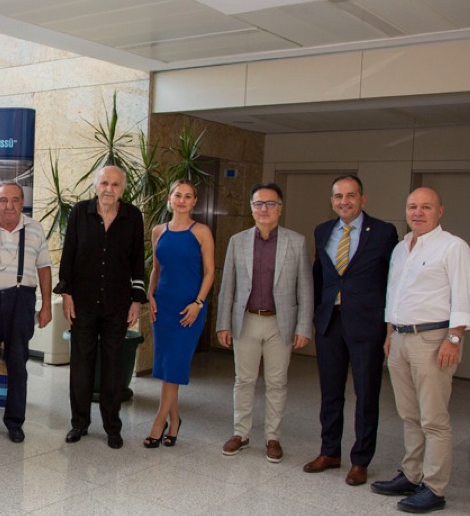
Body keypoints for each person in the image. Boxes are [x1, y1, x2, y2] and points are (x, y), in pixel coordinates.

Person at [373, 186, 470, 513]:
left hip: (433, 340)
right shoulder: (401, 248)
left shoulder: (453, 247)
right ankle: (411, 473)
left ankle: (434, 487)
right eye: (412, 206)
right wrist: (390, 332)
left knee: (433, 418)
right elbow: (394, 293)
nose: (418, 212)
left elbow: (464, 296)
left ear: (440, 211)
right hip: (400, 338)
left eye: (426, 207)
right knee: (409, 414)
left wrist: (454, 338)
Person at [303, 175, 397, 486]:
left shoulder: (383, 232)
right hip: (330, 322)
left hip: (366, 324)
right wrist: (316, 313)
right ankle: (329, 451)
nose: (344, 201)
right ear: (332, 201)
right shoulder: (322, 231)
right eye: (338, 196)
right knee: (330, 392)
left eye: (351, 195)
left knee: (366, 394)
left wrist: (389, 323)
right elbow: (320, 275)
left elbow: (392, 279)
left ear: (362, 199)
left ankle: (360, 460)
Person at [216, 182, 312, 463]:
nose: (264, 209)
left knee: (277, 383)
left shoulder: (296, 242)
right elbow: (228, 286)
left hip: (280, 323)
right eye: (258, 204)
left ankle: (272, 438)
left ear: (280, 208)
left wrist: (303, 326)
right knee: (243, 380)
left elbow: (305, 288)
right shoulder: (237, 241)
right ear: (251, 208)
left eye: (271, 203)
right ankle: (240, 433)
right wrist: (223, 323)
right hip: (246, 320)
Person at [56, 165, 146, 449]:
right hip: (82, 303)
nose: (109, 189)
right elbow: (69, 254)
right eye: (105, 183)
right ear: (96, 186)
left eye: (115, 184)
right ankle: (79, 423)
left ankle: (112, 427)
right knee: (81, 367)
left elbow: (137, 260)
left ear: (123, 189)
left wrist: (136, 300)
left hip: (117, 305)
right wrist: (66, 295)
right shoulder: (79, 213)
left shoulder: (133, 216)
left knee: (113, 368)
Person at [0, 181, 52, 443]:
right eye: (4, 200)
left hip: (21, 300)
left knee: (17, 363)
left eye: (15, 200)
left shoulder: (35, 229)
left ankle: (15, 422)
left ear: (22, 203)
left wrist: (46, 306)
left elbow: (44, 268)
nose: (9, 205)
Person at [145, 179, 214, 448]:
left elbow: (209, 272)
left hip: (189, 307)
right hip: (163, 305)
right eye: (178, 195)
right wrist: (150, 294)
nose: (182, 200)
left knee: (174, 364)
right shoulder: (158, 231)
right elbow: (156, 268)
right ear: (169, 199)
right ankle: (174, 421)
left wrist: (198, 303)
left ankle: (158, 422)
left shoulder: (202, 232)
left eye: (188, 196)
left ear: (195, 201)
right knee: (167, 367)